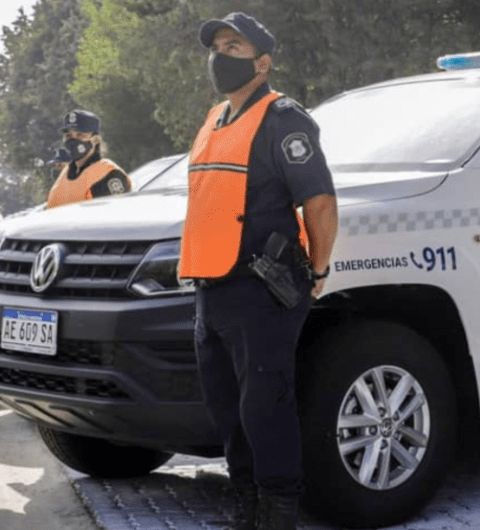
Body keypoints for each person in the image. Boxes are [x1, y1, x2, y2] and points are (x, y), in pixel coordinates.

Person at [178, 11, 338, 530]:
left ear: (263, 63)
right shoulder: (215, 119)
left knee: (265, 409)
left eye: (233, 47)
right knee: (228, 412)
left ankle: (278, 514)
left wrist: (318, 269)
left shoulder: (283, 119)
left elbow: (319, 201)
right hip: (210, 290)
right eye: (216, 47)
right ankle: (247, 509)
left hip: (259, 291)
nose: (219, 56)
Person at [46, 109, 132, 209]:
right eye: (68, 136)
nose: (73, 140)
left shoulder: (107, 175)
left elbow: (117, 215)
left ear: (95, 140)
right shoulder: (65, 174)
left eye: (80, 135)